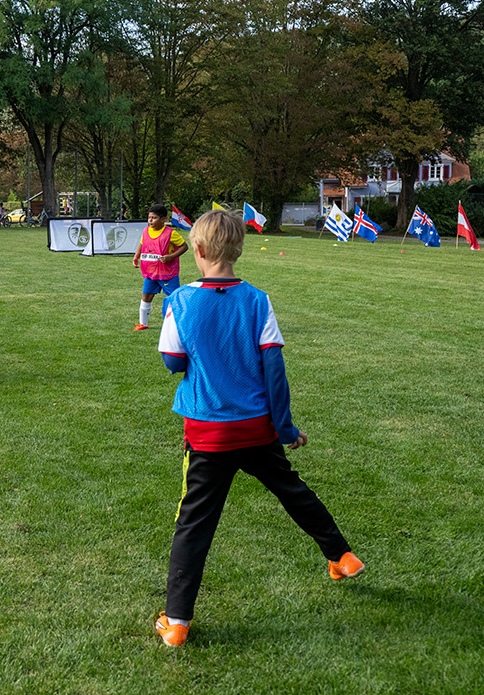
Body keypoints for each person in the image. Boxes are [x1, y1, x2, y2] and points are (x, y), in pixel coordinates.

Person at [152, 209, 363, 648]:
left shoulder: (180, 302)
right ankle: (342, 556)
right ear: (238, 250)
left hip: (209, 433)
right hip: (257, 430)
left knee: (194, 523)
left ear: (200, 251)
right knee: (293, 491)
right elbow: (274, 368)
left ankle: (176, 622)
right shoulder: (258, 300)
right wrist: (284, 428)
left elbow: (172, 361)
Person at [131, 203, 188, 332]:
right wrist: (136, 255)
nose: (150, 220)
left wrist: (170, 257)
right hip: (151, 273)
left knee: (174, 298)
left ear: (163, 219)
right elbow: (142, 243)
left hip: (168, 273)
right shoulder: (146, 231)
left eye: (154, 218)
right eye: (149, 217)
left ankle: (179, 324)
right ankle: (142, 324)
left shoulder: (171, 234)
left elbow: (184, 247)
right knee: (146, 296)